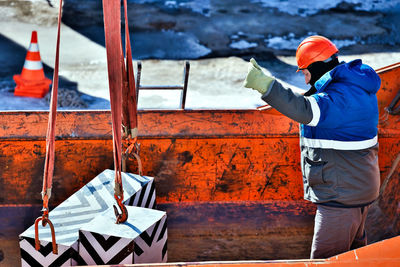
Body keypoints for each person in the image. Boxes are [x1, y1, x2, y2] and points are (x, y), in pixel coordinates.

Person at [243, 35, 381, 259]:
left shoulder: (340, 97)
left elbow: (306, 110)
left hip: (340, 200)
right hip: (354, 191)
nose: (306, 81)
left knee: (324, 261)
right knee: (353, 260)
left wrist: (266, 85)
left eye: (306, 73)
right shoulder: (353, 88)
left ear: (316, 67)